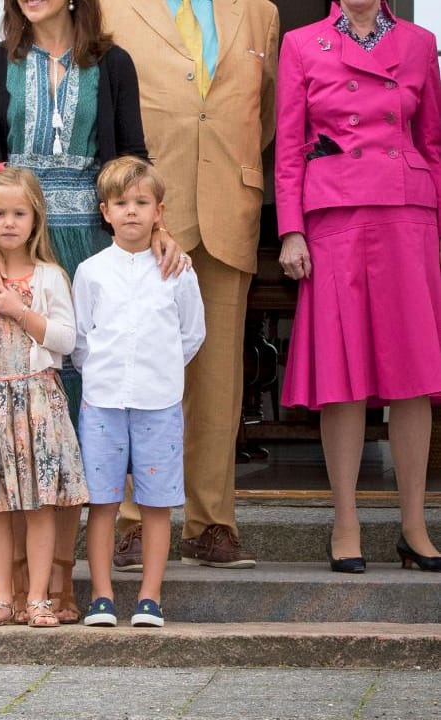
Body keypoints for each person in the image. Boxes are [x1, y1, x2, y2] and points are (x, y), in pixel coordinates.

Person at [0, 0, 183, 624]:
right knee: (25, 415)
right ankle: (24, 586)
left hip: (92, 247)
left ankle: (61, 576)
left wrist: (149, 235)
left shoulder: (111, 64)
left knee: (69, 424)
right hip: (14, 246)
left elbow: (131, 157)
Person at [102, 0, 280, 570]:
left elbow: (265, 112)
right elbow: (109, 107)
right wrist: (140, 207)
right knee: (140, 371)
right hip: (147, 212)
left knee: (220, 381)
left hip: (228, 210)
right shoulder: (111, 7)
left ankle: (212, 524)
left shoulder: (261, 12)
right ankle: (130, 522)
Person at [275, 0, 441, 574]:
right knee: (341, 371)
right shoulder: (300, 43)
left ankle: (414, 527)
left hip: (407, 210)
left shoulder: (419, 44)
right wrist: (291, 229)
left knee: (414, 373)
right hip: (335, 215)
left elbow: (433, 143)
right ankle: (345, 522)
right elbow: (291, 148)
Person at [0, 165, 88, 629]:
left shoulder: (50, 277)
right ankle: (3, 597)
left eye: (19, 214)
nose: (9, 222)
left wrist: (19, 310)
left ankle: (40, 597)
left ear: (35, 219)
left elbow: (66, 340)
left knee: (41, 503)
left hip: (39, 403)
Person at [75, 157, 205, 627]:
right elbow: (81, 339)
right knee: (104, 501)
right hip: (104, 403)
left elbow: (191, 334)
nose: (131, 211)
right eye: (121, 203)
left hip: (159, 403)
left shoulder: (177, 271)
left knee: (155, 501)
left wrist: (162, 370)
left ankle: (150, 597)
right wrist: (103, 374)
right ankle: (103, 596)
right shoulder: (91, 272)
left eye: (141, 202)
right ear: (105, 211)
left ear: (159, 210)